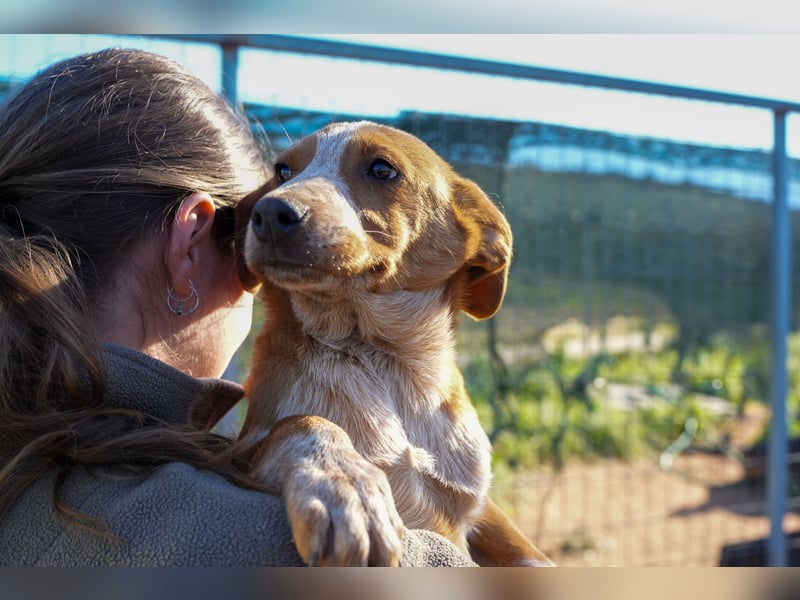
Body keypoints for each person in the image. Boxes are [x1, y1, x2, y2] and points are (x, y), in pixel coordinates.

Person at [0, 47, 474, 567]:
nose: (271, 292)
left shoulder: (23, 466)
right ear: (189, 245)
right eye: (251, 246)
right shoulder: (269, 542)